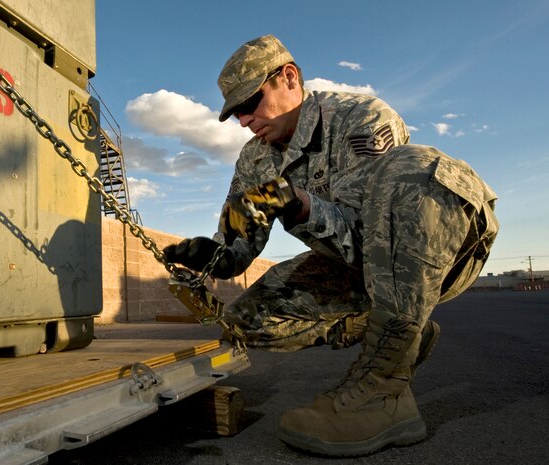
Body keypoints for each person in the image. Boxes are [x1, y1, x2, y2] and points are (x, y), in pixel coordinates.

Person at [163, 34, 498, 457]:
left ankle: (384, 390)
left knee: (409, 167)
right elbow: (239, 239)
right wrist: (215, 256)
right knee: (247, 320)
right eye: (235, 115)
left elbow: (377, 235)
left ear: (288, 77)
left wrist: (300, 205)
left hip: (434, 258)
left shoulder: (359, 117)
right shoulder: (254, 159)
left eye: (250, 104)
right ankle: (397, 332)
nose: (245, 121)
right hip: (356, 271)